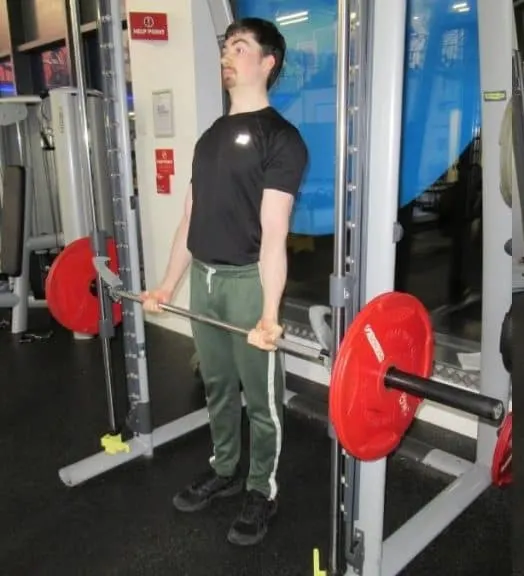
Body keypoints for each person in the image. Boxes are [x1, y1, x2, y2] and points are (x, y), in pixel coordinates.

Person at [140, 17, 309, 547]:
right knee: (216, 386)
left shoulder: (281, 139)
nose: (227, 57)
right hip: (205, 281)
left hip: (245, 282)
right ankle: (224, 465)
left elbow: (275, 233)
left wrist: (269, 315)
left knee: (259, 399)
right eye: (225, 48)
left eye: (240, 47)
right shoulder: (209, 138)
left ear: (267, 62)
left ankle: (262, 488)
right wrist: (167, 284)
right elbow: (189, 220)